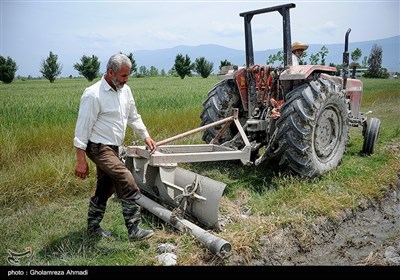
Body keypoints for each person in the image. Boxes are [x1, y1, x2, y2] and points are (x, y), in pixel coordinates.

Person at [74, 53, 157, 241]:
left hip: (114, 147)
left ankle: (93, 227)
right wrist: (80, 160)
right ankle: (134, 230)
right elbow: (82, 128)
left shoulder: (125, 91)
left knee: (106, 185)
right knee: (126, 178)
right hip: (98, 146)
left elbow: (133, 116)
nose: (126, 80)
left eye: (128, 75)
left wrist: (146, 136)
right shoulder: (93, 94)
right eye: (123, 76)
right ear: (111, 72)